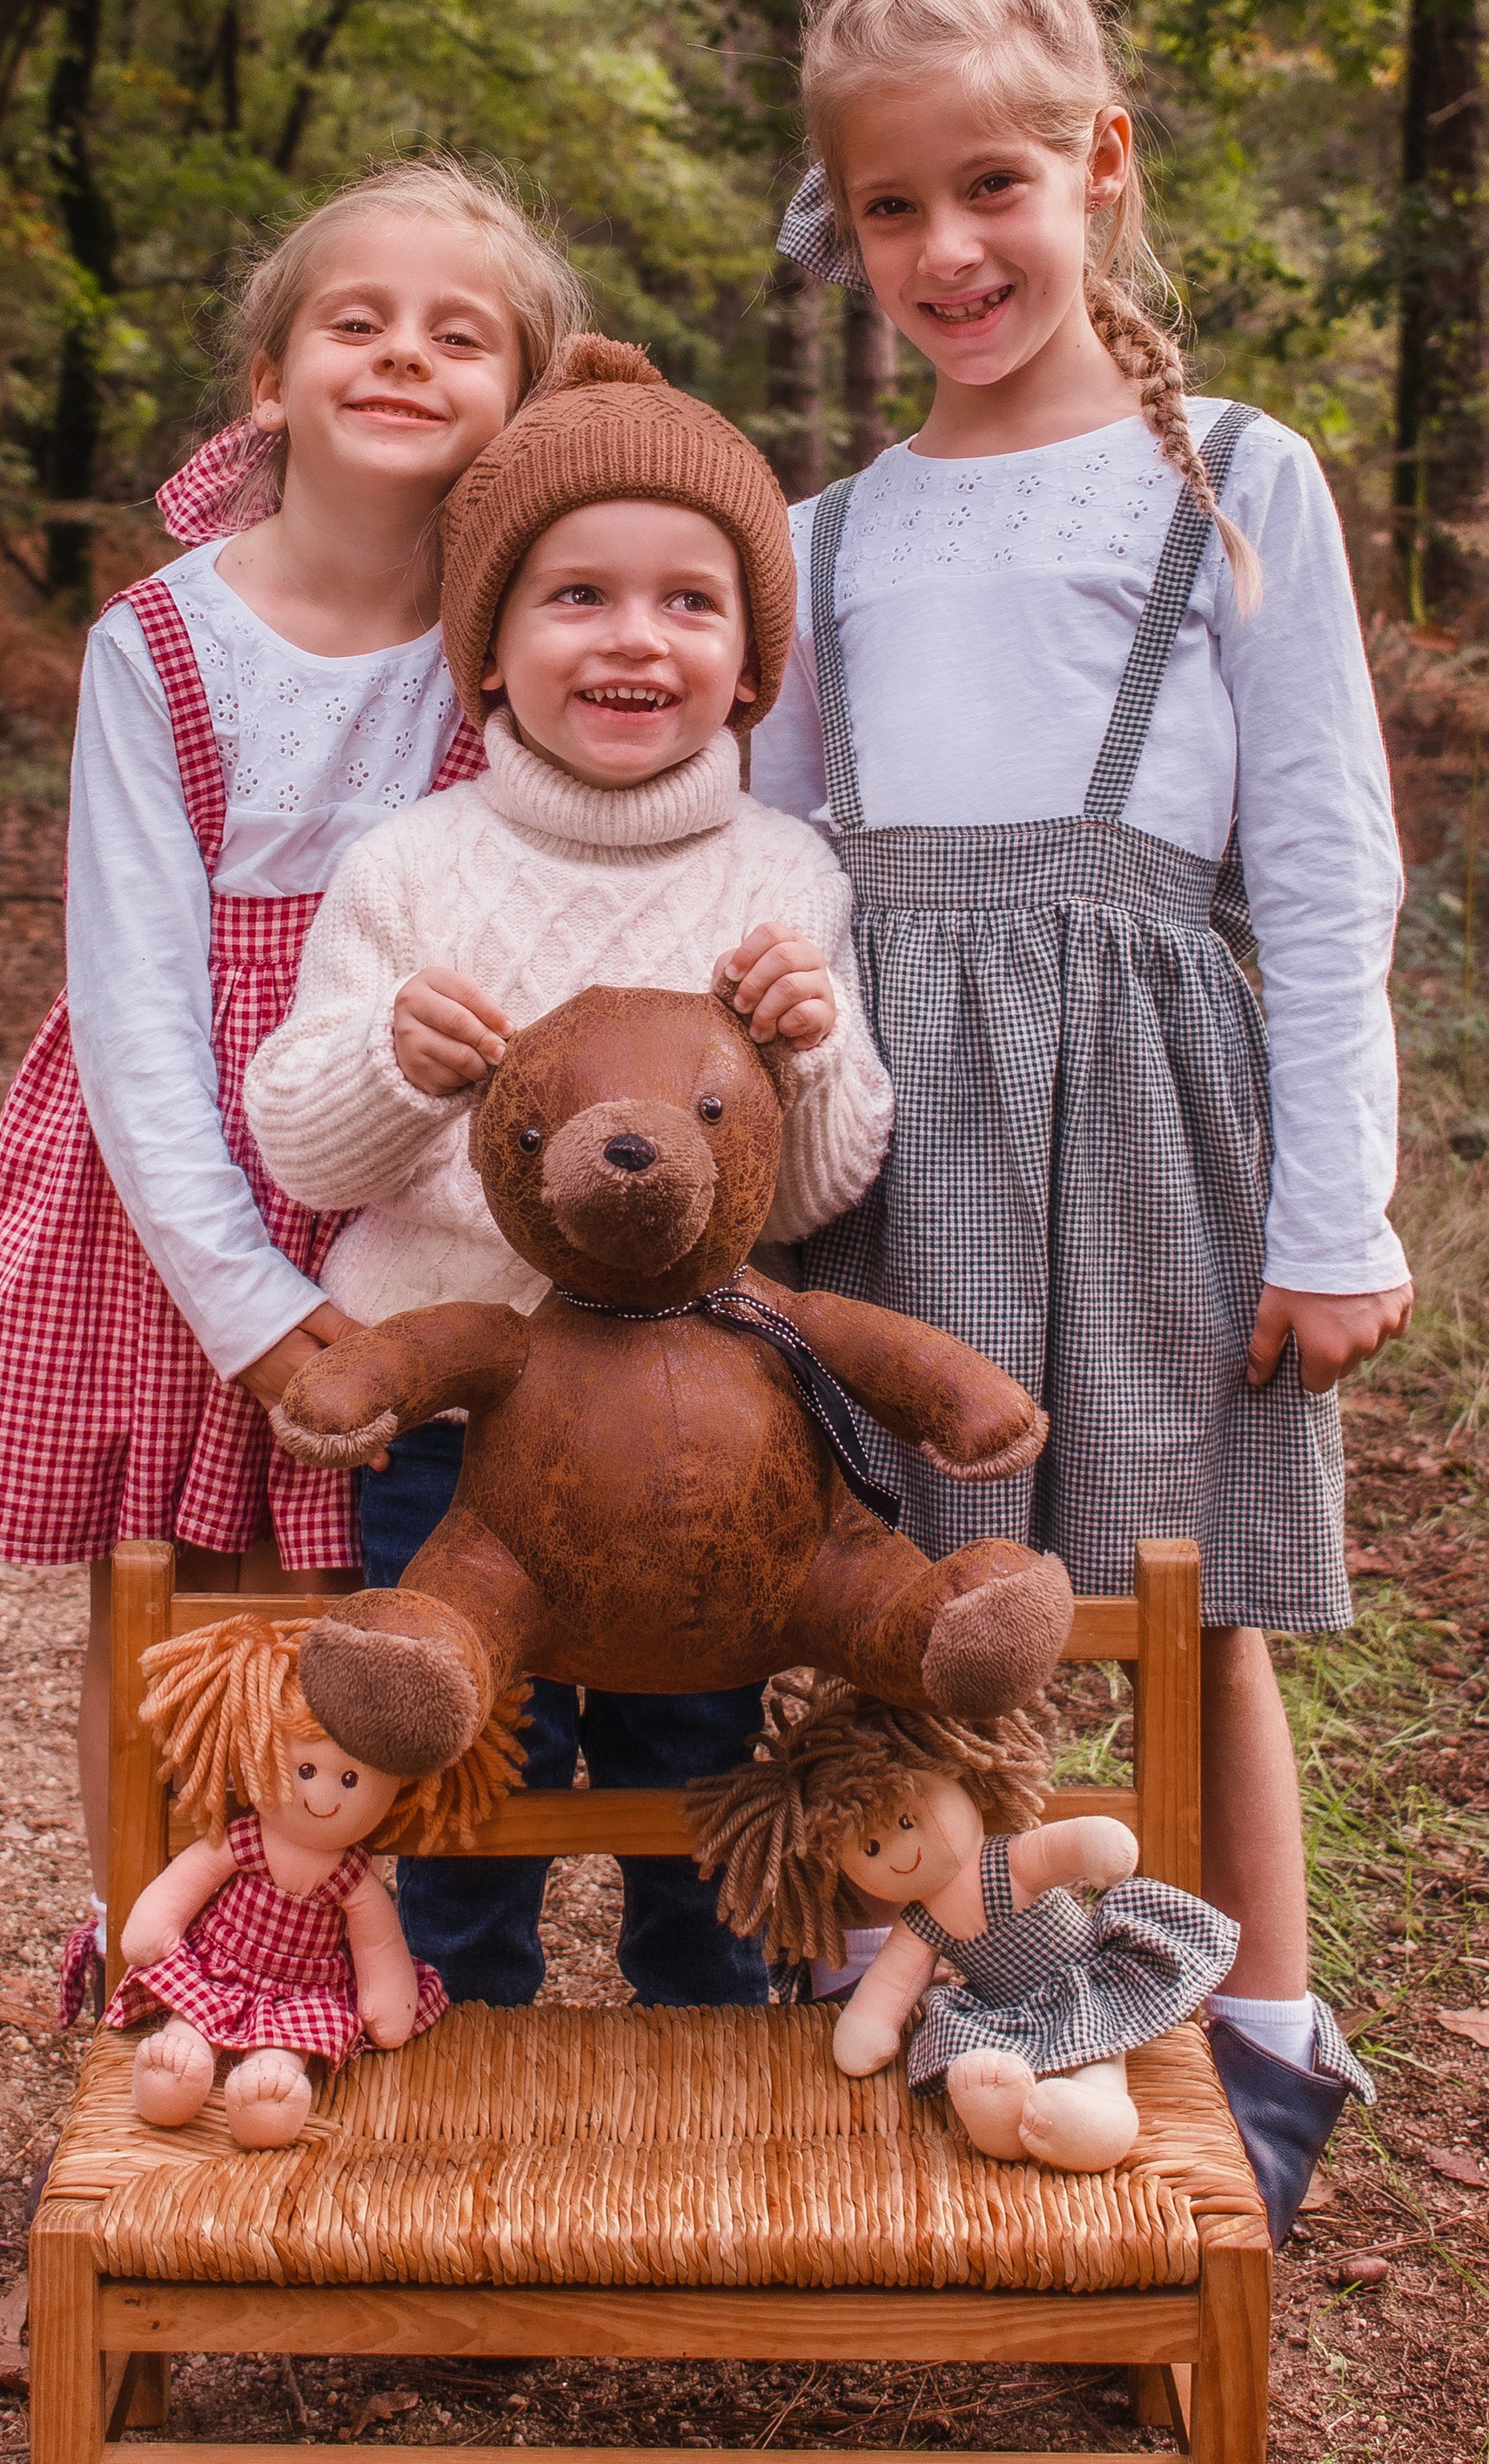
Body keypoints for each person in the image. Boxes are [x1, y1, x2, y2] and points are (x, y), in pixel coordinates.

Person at [749, 0, 1411, 2235]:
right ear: (849, 230)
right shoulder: (821, 539)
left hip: (1149, 1103)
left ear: (1099, 168)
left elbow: (1325, 865)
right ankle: (928, 2018)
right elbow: (762, 857)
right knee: (895, 1593)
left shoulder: (1235, 474)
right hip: (897, 1126)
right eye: (897, 208)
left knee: (1178, 1585)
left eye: (996, 183)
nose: (952, 247)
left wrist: (1339, 1213)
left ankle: (1250, 2053)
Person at [0, 155, 587, 2010]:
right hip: (176, 1188)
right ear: (267, 379)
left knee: (346, 1599)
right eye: (356, 321)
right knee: (173, 1586)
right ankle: (153, 1950)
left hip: (405, 1168)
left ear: (520, 403)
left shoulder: (511, 643)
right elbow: (136, 1007)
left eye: (458, 335)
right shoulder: (161, 642)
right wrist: (243, 1305)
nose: (402, 354)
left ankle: (320, 1958)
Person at [245, 336, 895, 2006]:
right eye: (575, 597)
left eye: (691, 602)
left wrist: (810, 1051)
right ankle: (461, 2046)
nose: (633, 639)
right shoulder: (414, 868)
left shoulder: (783, 876)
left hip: (700, 1445)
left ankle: (705, 2047)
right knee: (472, 1773)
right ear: (488, 645)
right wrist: (397, 1060)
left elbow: (819, 1191)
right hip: (456, 1432)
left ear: (753, 660)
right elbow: (297, 1138)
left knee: (692, 1768)